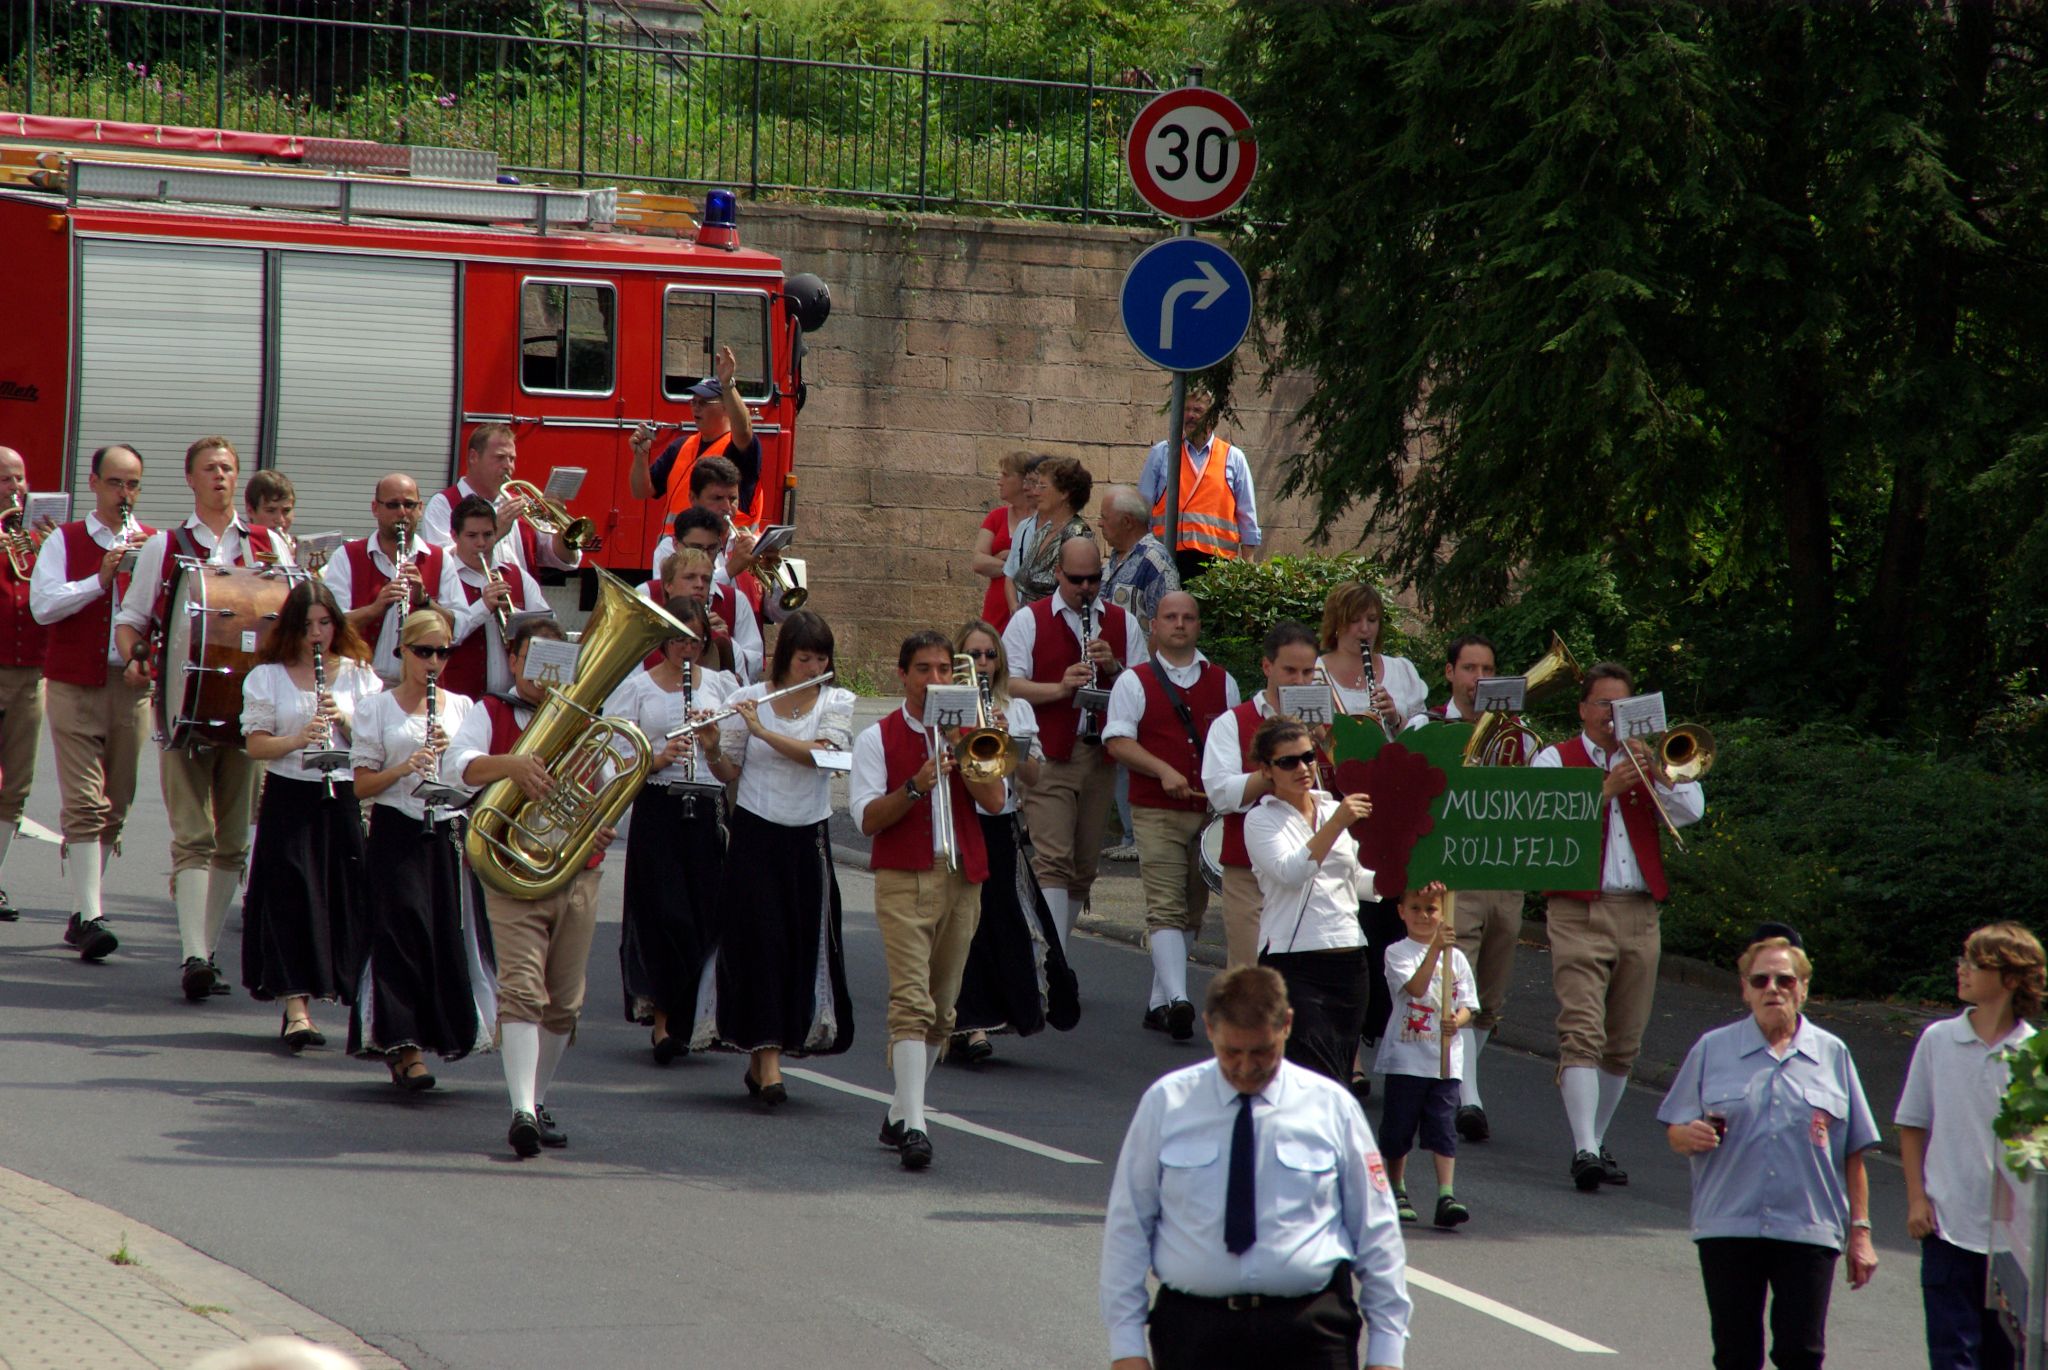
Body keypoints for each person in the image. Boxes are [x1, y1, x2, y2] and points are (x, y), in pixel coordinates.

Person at [1100, 966, 1412, 1370]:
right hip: (1196, 1335)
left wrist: (1387, 1351)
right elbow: (1128, 1226)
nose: (1246, 1068)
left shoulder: (1331, 1108)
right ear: (1210, 1028)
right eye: (1232, 1053)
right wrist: (1126, 1346)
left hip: (1308, 1334)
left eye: (1261, 1052)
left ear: (1286, 1025)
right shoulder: (1167, 1104)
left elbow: (1377, 1231)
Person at [115, 436, 294, 1000]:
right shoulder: (164, 545)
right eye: (209, 469)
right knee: (194, 834)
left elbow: (297, 617)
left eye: (228, 468)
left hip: (252, 712)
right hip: (183, 707)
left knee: (234, 841)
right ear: (190, 479)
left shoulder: (270, 545)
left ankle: (207, 950)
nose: (220, 476)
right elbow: (131, 621)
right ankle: (193, 954)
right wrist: (138, 659)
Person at [1658, 936, 1880, 1370]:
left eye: (1785, 979)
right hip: (1729, 1223)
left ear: (1803, 989)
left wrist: (1861, 1233)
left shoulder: (1833, 1054)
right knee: (1736, 1352)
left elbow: (1853, 1152)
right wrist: (1689, 1135)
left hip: (1808, 1227)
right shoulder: (1712, 1049)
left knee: (1802, 1352)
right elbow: (1675, 1131)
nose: (1772, 988)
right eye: (1760, 980)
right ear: (1744, 988)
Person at [1533, 661, 1706, 1190]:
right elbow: (1540, 815)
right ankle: (1583, 1146)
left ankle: (1596, 1140)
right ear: (1583, 709)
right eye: (1603, 705)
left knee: (1624, 1041)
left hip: (1639, 911)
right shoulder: (1553, 759)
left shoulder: (1645, 759)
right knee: (1581, 1029)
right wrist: (1606, 788)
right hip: (1578, 908)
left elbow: (1691, 811)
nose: (1612, 715)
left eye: (1621, 705)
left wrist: (1657, 769)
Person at [446, 619, 614, 1158]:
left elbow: (605, 787)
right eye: (534, 657)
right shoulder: (489, 711)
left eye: (557, 659)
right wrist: (510, 765)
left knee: (564, 1002)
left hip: (577, 870)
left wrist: (600, 820)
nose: (546, 670)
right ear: (514, 660)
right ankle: (519, 1110)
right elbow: (458, 768)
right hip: (511, 870)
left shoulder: (586, 719)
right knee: (522, 989)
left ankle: (537, 1102)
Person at [850, 631, 1011, 1170]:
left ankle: (900, 1112)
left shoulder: (970, 732)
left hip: (963, 875)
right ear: (903, 675)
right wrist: (916, 786)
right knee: (912, 1004)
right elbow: (867, 819)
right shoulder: (878, 737)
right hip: (903, 876)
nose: (936, 680)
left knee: (943, 1012)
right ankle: (917, 1127)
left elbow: (995, 802)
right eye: (924, 669)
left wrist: (972, 746)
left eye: (945, 669)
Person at [704, 610, 857, 1104]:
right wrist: (710, 746)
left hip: (806, 839)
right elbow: (729, 771)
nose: (813, 667)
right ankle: (767, 1066)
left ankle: (764, 1057)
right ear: (783, 657)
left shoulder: (836, 701)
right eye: (804, 658)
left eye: (821, 658)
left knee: (793, 944)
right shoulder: (747, 700)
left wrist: (765, 733)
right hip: (754, 833)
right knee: (758, 944)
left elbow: (825, 757)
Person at [346, 607, 493, 1090]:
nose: (434, 662)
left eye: (443, 652)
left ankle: (426, 1037)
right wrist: (407, 767)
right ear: (403, 651)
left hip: (446, 829)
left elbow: (475, 780)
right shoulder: (377, 708)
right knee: (399, 933)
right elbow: (362, 786)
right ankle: (403, 1045)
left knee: (438, 937)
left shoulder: (462, 708)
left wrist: (455, 767)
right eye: (424, 651)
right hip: (396, 828)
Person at [239, 580, 380, 1050]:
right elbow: (256, 744)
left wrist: (342, 719)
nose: (316, 635)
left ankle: (334, 992)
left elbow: (380, 738)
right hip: (289, 795)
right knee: (290, 896)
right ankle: (295, 1008)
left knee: (338, 894)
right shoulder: (268, 676)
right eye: (307, 626)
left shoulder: (360, 676)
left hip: (340, 794)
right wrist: (299, 738)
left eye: (325, 624)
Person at [1897, 922, 2043, 1370]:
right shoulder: (1938, 1040)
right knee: (1952, 1356)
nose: (1961, 970)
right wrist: (1918, 1198)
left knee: (2004, 1357)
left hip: (2013, 1244)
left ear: (2011, 978)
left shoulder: (2033, 1054)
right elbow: (1912, 1123)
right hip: (1947, 1226)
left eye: (1974, 963)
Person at [29, 443, 151, 955]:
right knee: (85, 802)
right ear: (95, 483)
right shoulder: (67, 540)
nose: (124, 493)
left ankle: (83, 911)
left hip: (128, 686)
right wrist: (98, 580)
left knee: (116, 804)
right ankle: (94, 914)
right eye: (116, 482)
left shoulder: (152, 542)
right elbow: (43, 607)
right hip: (75, 683)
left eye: (133, 484)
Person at [1404, 633, 1525, 1143]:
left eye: (1487, 668)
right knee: (1460, 980)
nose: (1478, 678)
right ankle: (1468, 1096)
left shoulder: (1518, 735)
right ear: (1450, 672)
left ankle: (1457, 1082)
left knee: (1490, 995)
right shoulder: (1424, 725)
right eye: (1469, 668)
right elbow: (1409, 792)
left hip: (1503, 874)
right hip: (1452, 872)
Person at [1103, 591, 1240, 1039]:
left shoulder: (1223, 681)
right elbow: (1117, 741)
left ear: (1198, 625)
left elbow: (1232, 746)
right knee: (1165, 904)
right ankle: (1180, 1000)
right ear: (1155, 626)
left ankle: (1159, 1000)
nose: (1179, 624)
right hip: (1155, 810)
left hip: (1206, 813)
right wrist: (1162, 770)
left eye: (1188, 618)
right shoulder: (1133, 681)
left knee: (1193, 909)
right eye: (1170, 617)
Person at [604, 596, 733, 1064]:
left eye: (693, 640)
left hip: (705, 806)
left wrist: (713, 744)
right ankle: (661, 1024)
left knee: (702, 913)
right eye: (676, 638)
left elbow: (732, 763)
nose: (685, 649)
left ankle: (691, 1017)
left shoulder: (721, 686)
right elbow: (613, 754)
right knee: (662, 914)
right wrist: (655, 758)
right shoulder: (637, 689)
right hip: (658, 805)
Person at [1001, 537, 1145, 950]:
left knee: (1084, 867)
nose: (1086, 588)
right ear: (1058, 574)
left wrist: (1115, 668)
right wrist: (1060, 687)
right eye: (1077, 579)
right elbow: (1007, 684)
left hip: (1100, 755)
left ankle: (1054, 953)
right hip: (1049, 753)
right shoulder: (1029, 620)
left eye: (1094, 579)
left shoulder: (1122, 623)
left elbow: (1143, 690)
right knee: (1054, 860)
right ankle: (1054, 958)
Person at [946, 620, 1076, 1064]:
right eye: (974, 655)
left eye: (990, 655)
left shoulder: (1016, 708)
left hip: (1001, 824)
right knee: (968, 926)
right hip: (962, 822)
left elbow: (1035, 778)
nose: (983, 663)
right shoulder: (948, 705)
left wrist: (1008, 741)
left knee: (1004, 925)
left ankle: (990, 1016)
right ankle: (969, 1023)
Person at [1243, 717, 1376, 1085]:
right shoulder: (1260, 821)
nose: (1303, 768)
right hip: (1295, 960)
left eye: (1307, 757)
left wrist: (1403, 881)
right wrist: (1336, 825)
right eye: (1288, 762)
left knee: (1338, 1076)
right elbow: (1290, 872)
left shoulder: (1334, 808)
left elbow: (1357, 878)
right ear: (1267, 770)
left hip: (1349, 956)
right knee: (1310, 1074)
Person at [1202, 621, 1325, 971]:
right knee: (1250, 975)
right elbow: (1221, 795)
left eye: (1307, 673)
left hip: (1312, 866)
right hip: (1249, 870)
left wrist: (1325, 742)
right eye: (1290, 670)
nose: (1299, 682)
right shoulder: (1233, 722)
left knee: (1309, 978)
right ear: (1267, 666)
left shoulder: (1328, 724)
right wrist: (1278, 764)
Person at [1374, 881, 1477, 1229]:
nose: (1423, 915)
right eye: (1415, 908)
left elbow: (1469, 1006)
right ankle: (1397, 1187)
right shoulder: (1397, 953)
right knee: (1398, 1129)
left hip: (1444, 1061)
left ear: (1443, 913)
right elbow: (1416, 989)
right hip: (1407, 1058)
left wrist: (1457, 1020)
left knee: (1443, 1127)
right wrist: (1434, 948)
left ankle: (1445, 1193)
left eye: (1432, 909)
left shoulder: (1457, 958)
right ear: (1401, 911)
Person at [323, 473, 454, 684]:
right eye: (393, 505)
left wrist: (424, 601)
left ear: (420, 508)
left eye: (409, 505)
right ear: (375, 508)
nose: (402, 513)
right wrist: (374, 609)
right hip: (359, 682)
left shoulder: (440, 559)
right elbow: (329, 625)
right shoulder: (346, 556)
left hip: (417, 686)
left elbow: (456, 627)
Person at [421, 423, 583, 584]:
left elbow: (565, 561)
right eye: (499, 458)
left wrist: (561, 534)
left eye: (512, 459)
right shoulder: (444, 503)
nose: (508, 466)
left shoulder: (521, 502)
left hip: (523, 603)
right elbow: (440, 563)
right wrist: (495, 531)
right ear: (473, 457)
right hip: (470, 604)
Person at [629, 346, 764, 533]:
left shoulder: (738, 447)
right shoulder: (681, 446)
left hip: (723, 549)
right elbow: (641, 491)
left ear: (726, 407)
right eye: (693, 402)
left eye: (704, 402)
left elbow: (744, 430)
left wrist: (727, 385)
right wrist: (640, 456)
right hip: (678, 549)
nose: (695, 408)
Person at [1139, 386, 1262, 582]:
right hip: (1166, 562)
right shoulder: (1162, 453)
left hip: (1218, 569)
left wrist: (1248, 567)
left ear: (1212, 417)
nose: (1190, 416)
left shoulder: (1233, 458)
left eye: (1197, 410)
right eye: (1186, 410)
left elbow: (1247, 518)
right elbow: (1141, 512)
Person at [0, 446, 48, 923]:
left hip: (30, 674)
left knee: (16, 784)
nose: (15, 489)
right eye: (4, 481)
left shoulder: (37, 539)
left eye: (20, 479)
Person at [441, 495, 550, 701]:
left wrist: (520, 621)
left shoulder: (517, 576)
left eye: (488, 534)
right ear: (454, 536)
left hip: (510, 701)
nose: (481, 543)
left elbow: (546, 632)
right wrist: (483, 606)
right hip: (456, 699)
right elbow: (444, 636)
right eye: (472, 535)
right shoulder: (443, 576)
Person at [661, 507, 762, 682]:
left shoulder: (735, 601)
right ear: (668, 584)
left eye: (712, 548)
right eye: (690, 578)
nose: (699, 585)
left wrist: (724, 644)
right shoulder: (647, 593)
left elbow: (745, 680)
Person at [1006, 455, 1093, 606]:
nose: (1035, 492)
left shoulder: (1077, 534)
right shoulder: (1044, 531)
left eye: (1043, 487)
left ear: (1064, 493)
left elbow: (1076, 593)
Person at [1099, 484, 1182, 629]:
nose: (1099, 523)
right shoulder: (1113, 560)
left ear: (1127, 522)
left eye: (1104, 518)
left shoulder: (1155, 562)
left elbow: (1169, 625)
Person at [973, 451, 1036, 631]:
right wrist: (1016, 562)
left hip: (1026, 609)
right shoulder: (996, 517)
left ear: (1024, 480)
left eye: (1005, 475)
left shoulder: (1042, 521)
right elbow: (978, 561)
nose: (999, 481)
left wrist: (1009, 562)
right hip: (995, 611)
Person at [244, 469, 297, 559]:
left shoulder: (299, 552)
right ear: (250, 511)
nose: (280, 520)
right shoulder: (239, 550)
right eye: (270, 510)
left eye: (286, 511)